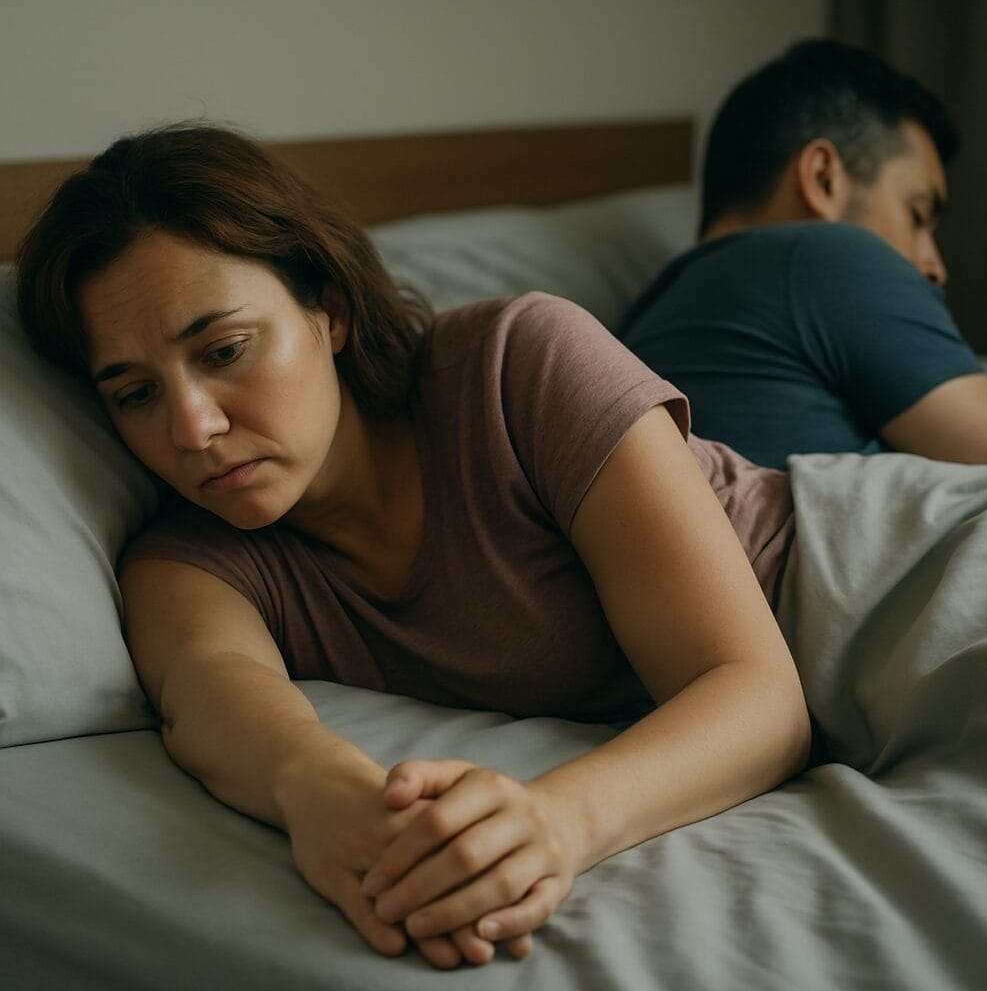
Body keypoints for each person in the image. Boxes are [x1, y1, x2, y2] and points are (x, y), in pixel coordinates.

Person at [16, 125, 810, 970]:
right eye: (135, 394)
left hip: (873, 564)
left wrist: (555, 821)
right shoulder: (188, 569)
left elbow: (759, 697)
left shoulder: (517, 366)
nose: (193, 429)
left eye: (224, 351)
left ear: (330, 311)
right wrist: (353, 818)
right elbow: (222, 700)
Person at [619, 39, 987, 472]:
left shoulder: (643, 319)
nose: (935, 267)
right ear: (823, 178)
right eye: (917, 215)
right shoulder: (825, 254)